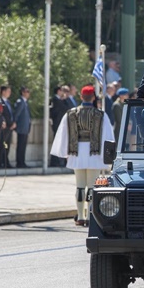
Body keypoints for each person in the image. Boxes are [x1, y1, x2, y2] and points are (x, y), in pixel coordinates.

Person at [51, 85, 115, 226]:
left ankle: (80, 216)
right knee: (92, 187)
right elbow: (108, 136)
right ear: (93, 97)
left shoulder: (71, 113)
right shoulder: (101, 115)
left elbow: (63, 134)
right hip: (94, 154)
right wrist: (109, 156)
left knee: (80, 186)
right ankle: (91, 216)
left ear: (81, 97)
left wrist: (64, 152)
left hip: (77, 153)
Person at [13, 87, 32, 168]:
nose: (28, 93)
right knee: (20, 146)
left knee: (23, 145)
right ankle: (19, 162)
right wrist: (14, 122)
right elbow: (17, 114)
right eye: (26, 91)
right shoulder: (20, 102)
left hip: (25, 127)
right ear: (23, 92)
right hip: (21, 127)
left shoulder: (25, 102)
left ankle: (22, 162)